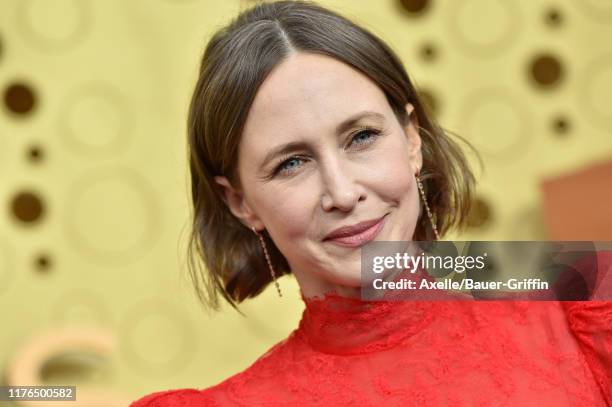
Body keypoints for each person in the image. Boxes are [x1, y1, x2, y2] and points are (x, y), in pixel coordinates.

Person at [131, 1, 612, 405]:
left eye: (362, 137)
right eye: (291, 164)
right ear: (240, 202)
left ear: (411, 139)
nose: (342, 193)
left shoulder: (583, 304)